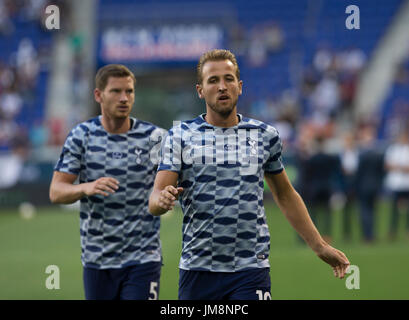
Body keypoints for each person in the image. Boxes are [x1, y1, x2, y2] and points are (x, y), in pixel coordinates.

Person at [149, 49, 350, 300]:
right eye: (213, 80)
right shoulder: (180, 136)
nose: (222, 86)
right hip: (198, 270)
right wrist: (162, 200)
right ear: (200, 90)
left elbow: (285, 194)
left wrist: (319, 245)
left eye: (228, 78)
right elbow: (155, 198)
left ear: (239, 86)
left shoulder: (264, 135)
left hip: (250, 270)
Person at [49, 64, 165, 300]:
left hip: (143, 258)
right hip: (97, 259)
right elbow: (56, 191)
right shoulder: (81, 136)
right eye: (116, 91)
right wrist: (86, 188)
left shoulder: (155, 138)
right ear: (98, 95)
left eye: (129, 91)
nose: (124, 98)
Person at [355, 125, 385, 243]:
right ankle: (372, 233)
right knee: (372, 210)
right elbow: (381, 172)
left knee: (364, 211)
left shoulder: (362, 155)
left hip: (363, 186)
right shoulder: (378, 154)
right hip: (375, 186)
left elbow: (359, 173)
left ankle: (367, 235)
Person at [384, 129, 409, 240]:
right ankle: (392, 231)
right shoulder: (393, 149)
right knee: (394, 208)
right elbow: (387, 164)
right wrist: (400, 167)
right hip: (396, 183)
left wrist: (399, 167)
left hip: (407, 183)